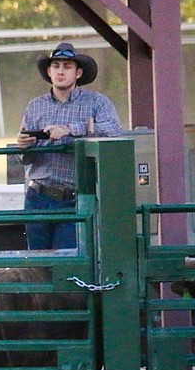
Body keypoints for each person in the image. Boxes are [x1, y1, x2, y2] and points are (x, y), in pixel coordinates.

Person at [15, 42, 123, 250]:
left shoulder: (97, 102)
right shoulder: (35, 106)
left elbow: (114, 129)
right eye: (56, 66)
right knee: (37, 263)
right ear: (49, 71)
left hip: (74, 197)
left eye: (67, 67)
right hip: (38, 196)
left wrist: (69, 129)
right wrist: (24, 146)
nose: (60, 71)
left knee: (68, 259)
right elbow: (25, 158)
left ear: (78, 73)